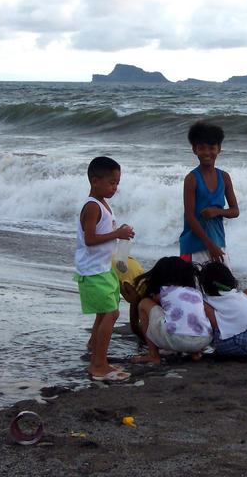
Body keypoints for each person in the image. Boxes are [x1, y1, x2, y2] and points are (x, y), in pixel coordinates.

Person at [75, 156, 134, 382]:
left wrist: (121, 231)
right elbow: (90, 239)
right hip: (92, 271)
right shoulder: (92, 206)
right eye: (111, 183)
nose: (115, 187)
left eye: (117, 183)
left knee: (107, 311)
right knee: (111, 313)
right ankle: (98, 364)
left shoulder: (102, 204)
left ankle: (94, 346)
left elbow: (103, 231)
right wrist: (116, 234)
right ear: (95, 180)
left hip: (103, 267)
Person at [130, 257, 214, 364]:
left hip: (175, 339)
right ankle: (195, 353)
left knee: (145, 303)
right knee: (192, 313)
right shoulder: (196, 293)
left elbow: (155, 305)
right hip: (204, 340)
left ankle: (153, 355)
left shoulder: (164, 290)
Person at [179, 122, 239, 266]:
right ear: (194, 150)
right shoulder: (192, 179)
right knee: (194, 288)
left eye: (212, 148)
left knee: (225, 287)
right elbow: (190, 216)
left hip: (218, 243)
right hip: (193, 246)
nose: (207, 153)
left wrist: (217, 211)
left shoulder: (224, 177)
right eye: (202, 148)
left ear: (219, 149)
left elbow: (235, 211)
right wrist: (209, 245)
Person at [199, 262, 247, 357]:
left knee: (217, 326)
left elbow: (216, 326)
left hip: (240, 344)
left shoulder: (205, 301)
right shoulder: (239, 294)